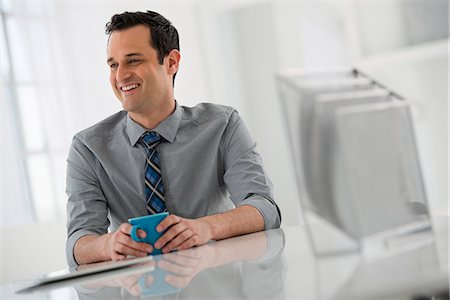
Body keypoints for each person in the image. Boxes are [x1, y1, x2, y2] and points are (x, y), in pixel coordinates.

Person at [66, 10, 281, 268]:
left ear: (172, 62)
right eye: (113, 65)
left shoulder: (223, 125)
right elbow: (78, 242)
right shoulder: (88, 148)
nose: (120, 76)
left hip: (218, 286)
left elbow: (264, 207)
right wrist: (108, 245)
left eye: (133, 61)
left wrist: (204, 229)